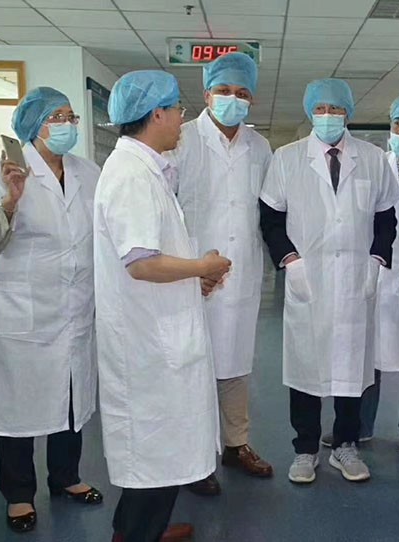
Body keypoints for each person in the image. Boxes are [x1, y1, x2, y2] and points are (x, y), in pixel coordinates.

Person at [94, 70, 231, 542]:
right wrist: (202, 266)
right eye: (177, 110)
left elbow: (152, 253)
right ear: (157, 114)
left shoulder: (146, 169)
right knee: (152, 455)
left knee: (162, 453)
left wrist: (194, 279)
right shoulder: (131, 175)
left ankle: (143, 531)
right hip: (147, 344)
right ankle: (135, 536)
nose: (180, 120)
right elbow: (141, 263)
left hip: (158, 331)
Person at [0, 87, 103, 534]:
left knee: (72, 397)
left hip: (75, 309)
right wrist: (10, 201)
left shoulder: (88, 172)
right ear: (33, 125)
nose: (67, 125)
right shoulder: (2, 172)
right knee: (17, 406)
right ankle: (19, 495)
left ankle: (66, 477)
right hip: (20, 313)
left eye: (71, 117)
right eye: (56, 117)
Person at [259, 78, 399, 484]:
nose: (328, 116)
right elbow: (271, 219)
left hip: (356, 278)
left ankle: (345, 445)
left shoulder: (372, 158)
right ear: (309, 112)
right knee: (305, 367)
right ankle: (305, 450)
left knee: (351, 367)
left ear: (348, 113)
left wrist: (376, 260)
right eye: (320, 109)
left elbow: (386, 218)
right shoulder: (287, 158)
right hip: (309, 277)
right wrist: (290, 261)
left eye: (336, 109)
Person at [168, 52, 273, 497]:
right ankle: (194, 458)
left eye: (242, 92)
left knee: (236, 364)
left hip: (241, 273)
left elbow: (267, 211)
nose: (233, 99)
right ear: (207, 93)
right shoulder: (181, 139)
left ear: (252, 99)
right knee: (194, 366)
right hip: (191, 274)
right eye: (224, 90)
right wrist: (188, 267)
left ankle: (236, 444)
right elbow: (165, 209)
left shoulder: (260, 147)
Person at [321, 95, 399, 453]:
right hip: (374, 269)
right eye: (398, 123)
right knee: (366, 352)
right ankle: (359, 425)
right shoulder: (375, 164)